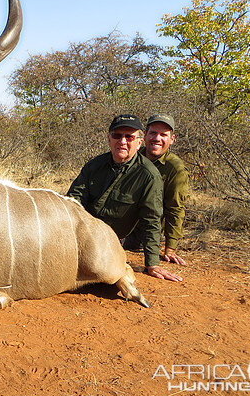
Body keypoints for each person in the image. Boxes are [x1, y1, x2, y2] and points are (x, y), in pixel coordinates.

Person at [67, 114, 182, 282]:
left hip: (113, 242)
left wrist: (153, 263)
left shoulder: (149, 175)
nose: (122, 141)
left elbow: (151, 220)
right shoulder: (93, 166)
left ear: (139, 142)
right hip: (83, 234)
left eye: (129, 137)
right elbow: (73, 201)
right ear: (109, 139)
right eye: (117, 135)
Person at [141, 114, 189, 266]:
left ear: (172, 139)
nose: (157, 138)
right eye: (153, 133)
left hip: (148, 231)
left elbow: (175, 208)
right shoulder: (133, 156)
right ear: (145, 136)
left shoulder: (175, 168)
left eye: (163, 135)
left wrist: (170, 248)